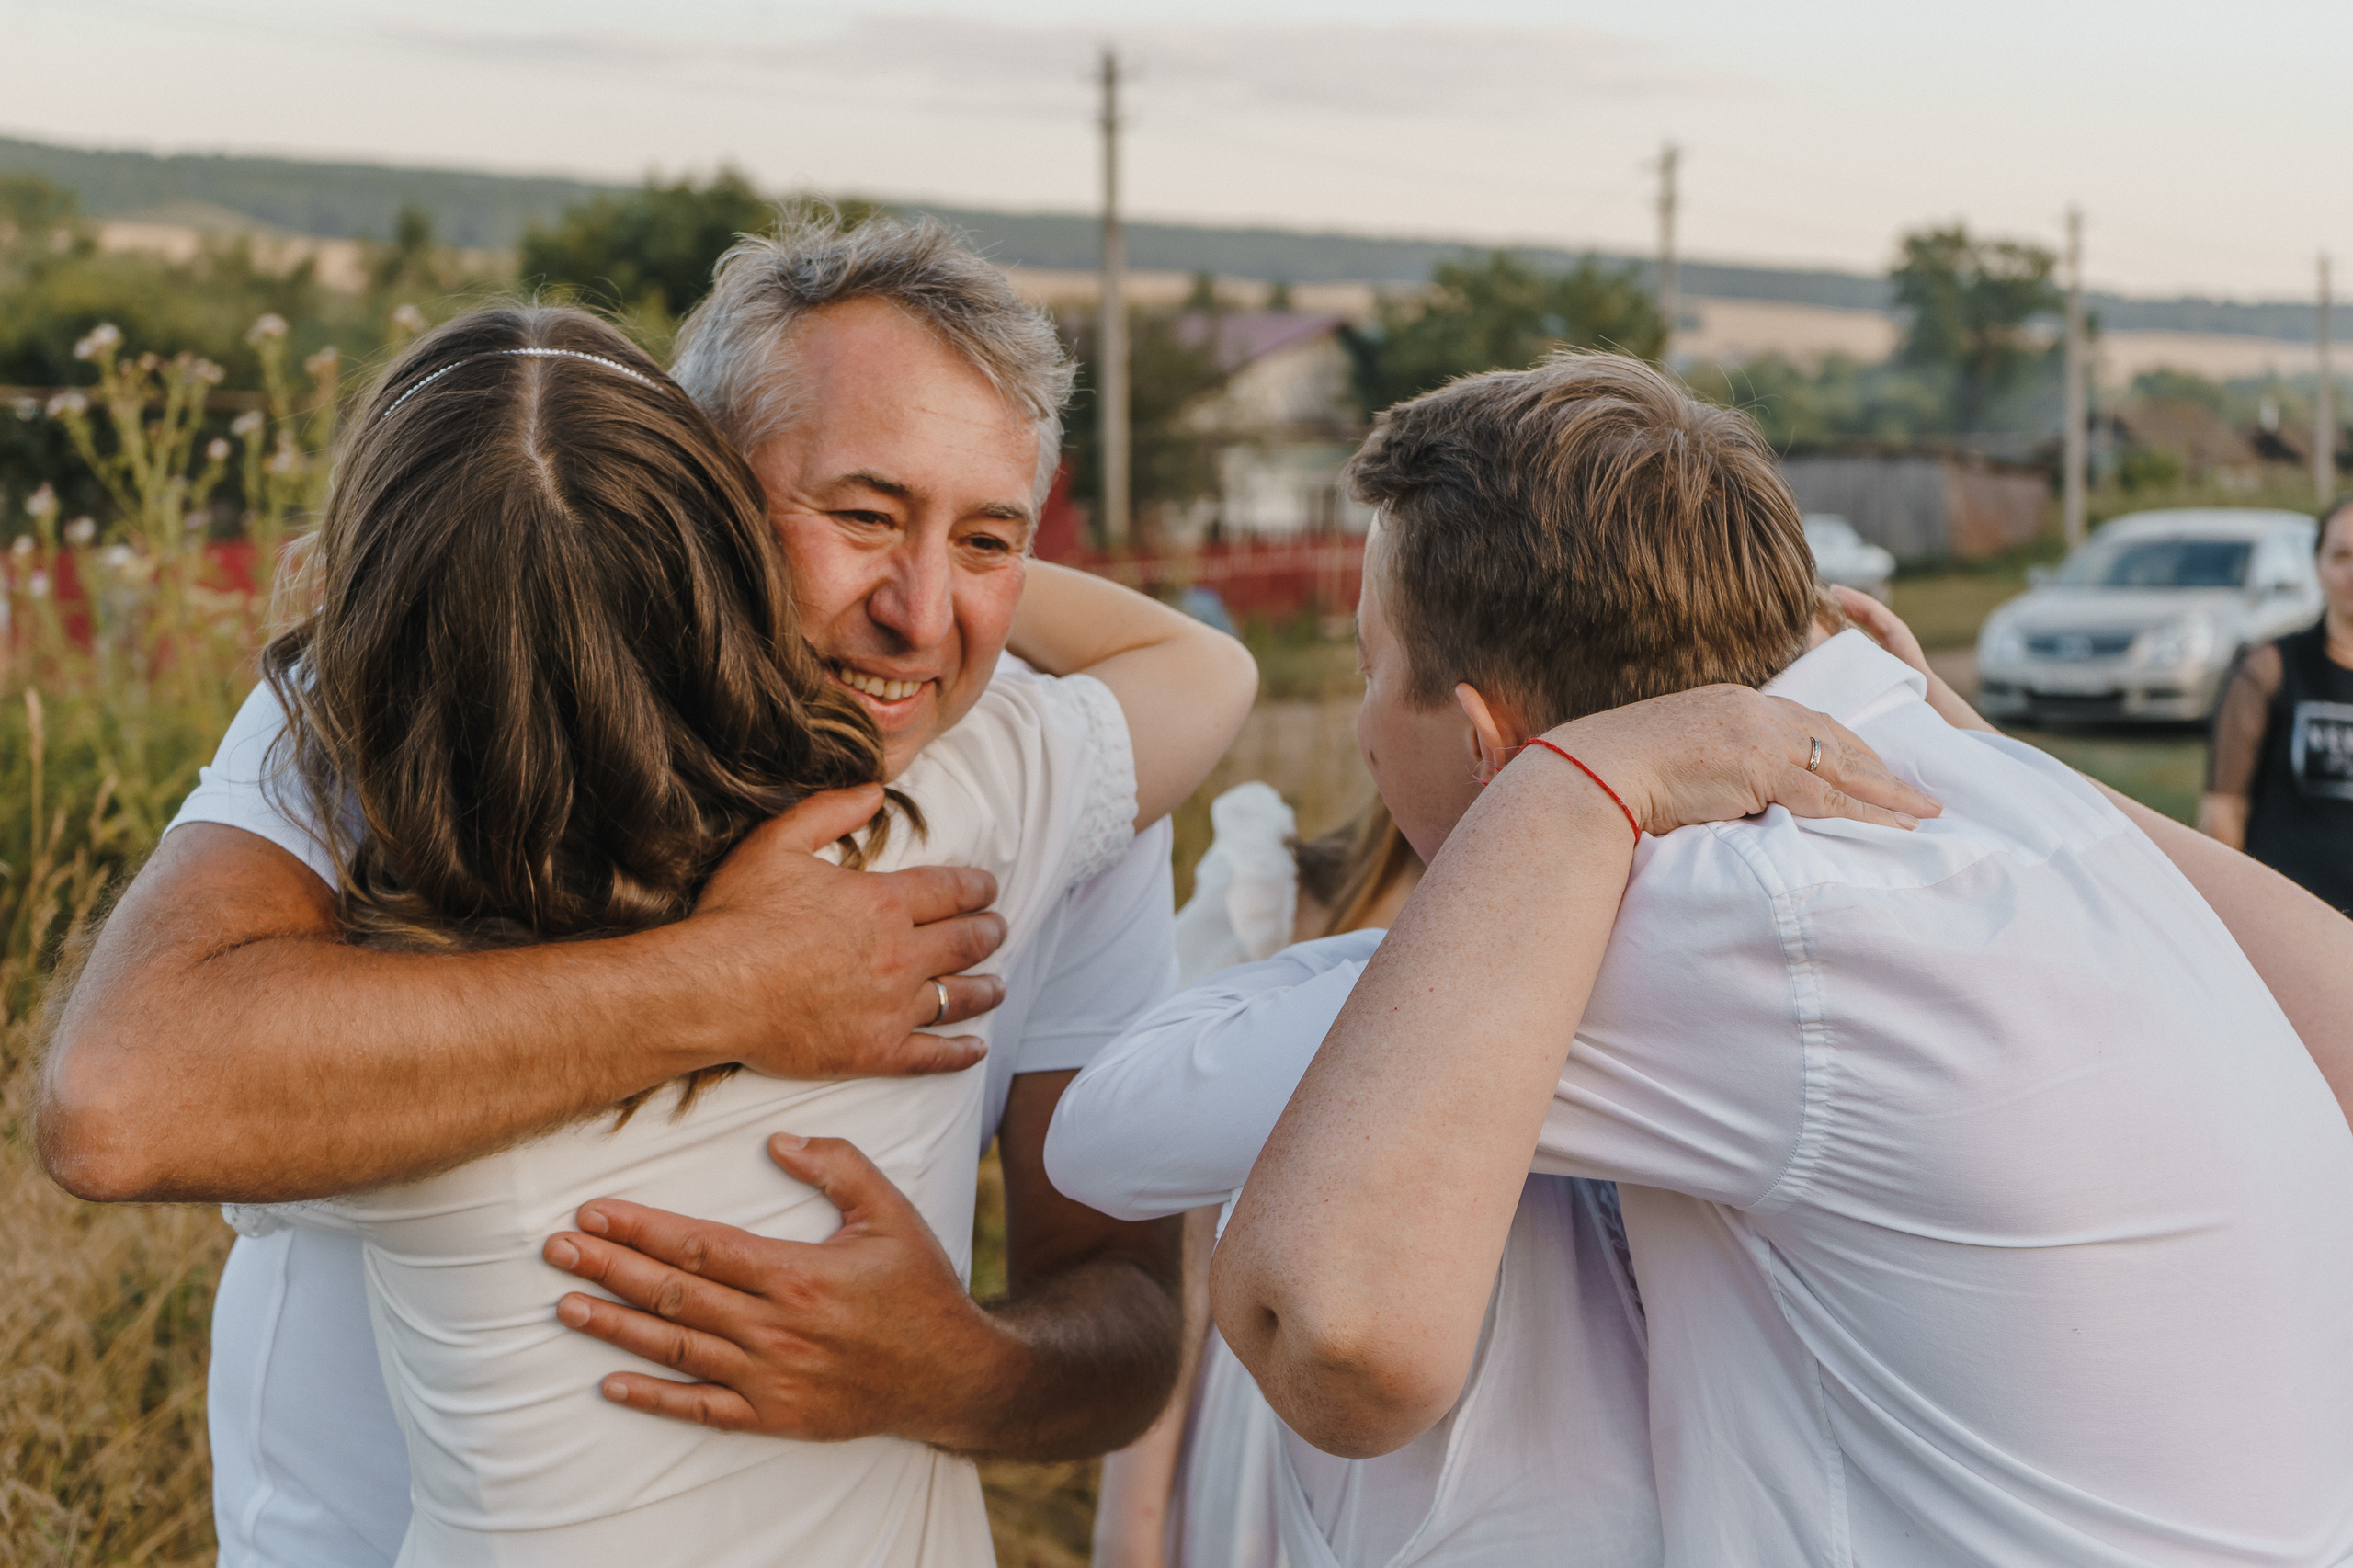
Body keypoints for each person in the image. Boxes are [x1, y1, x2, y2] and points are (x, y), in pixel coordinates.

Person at [34, 213, 1251, 1567]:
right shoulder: (417, 688)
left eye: (989, 540)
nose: (922, 616)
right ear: (700, 491)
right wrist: (737, 982)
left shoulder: (1021, 758)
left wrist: (954, 1369)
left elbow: (1124, 1317)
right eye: (861, 515)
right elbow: (124, 1099)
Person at [1199, 353, 2353, 1565]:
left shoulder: (1729, 918)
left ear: (1484, 738)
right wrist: (1975, 752)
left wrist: (1564, 785)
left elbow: (1325, 1325)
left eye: (1370, 668)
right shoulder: (2007, 857)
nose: (1360, 722)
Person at [2201, 495, 2353, 912]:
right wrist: (2231, 912)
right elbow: (2222, 808)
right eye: (2341, 556)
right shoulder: (2269, 668)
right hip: (2288, 915)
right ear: (2317, 566)